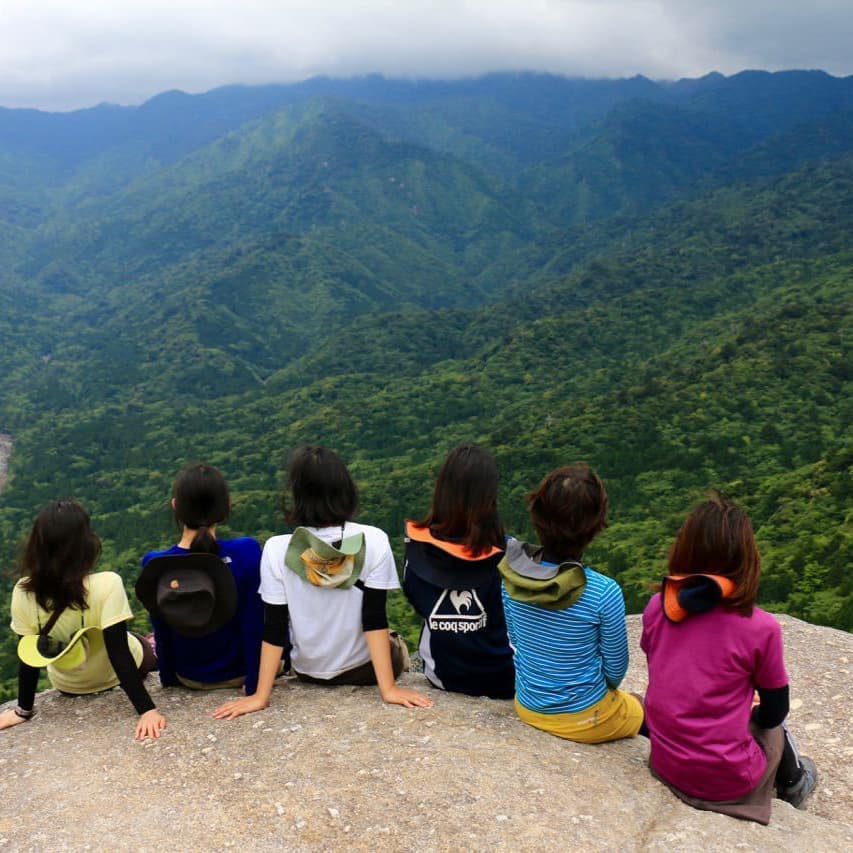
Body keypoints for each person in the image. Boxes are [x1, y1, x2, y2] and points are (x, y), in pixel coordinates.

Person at [214, 445, 433, 720]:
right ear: (346, 490)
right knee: (396, 642)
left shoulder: (277, 548)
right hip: (363, 671)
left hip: (308, 672)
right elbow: (374, 618)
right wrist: (388, 689)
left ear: (298, 496)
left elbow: (275, 627)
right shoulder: (373, 539)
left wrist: (260, 695)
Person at [641, 492, 818, 824]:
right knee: (774, 726)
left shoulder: (658, 606)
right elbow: (775, 711)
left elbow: (659, 662)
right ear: (746, 559)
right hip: (726, 780)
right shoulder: (761, 627)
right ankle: (794, 783)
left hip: (665, 762)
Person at [500, 463, 643, 742]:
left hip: (528, 707)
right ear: (596, 525)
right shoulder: (604, 591)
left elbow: (516, 639)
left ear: (537, 516)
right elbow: (615, 670)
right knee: (640, 707)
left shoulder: (511, 577)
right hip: (585, 718)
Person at [0, 500, 164, 740]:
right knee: (142, 642)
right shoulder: (108, 583)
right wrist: (147, 710)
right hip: (115, 674)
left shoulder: (22, 591)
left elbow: (29, 655)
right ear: (85, 544)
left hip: (68, 684)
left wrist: (22, 710)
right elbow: (118, 652)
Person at [138, 463, 264, 695]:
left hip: (190, 678)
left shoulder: (156, 563)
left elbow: (162, 631)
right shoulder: (247, 551)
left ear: (175, 507)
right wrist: (255, 684)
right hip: (242, 674)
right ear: (226, 507)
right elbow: (254, 624)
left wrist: (169, 681)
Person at [402, 443, 514, 698]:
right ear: (489, 497)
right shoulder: (510, 555)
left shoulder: (415, 551)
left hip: (443, 676)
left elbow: (416, 599)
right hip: (504, 679)